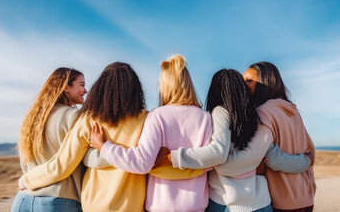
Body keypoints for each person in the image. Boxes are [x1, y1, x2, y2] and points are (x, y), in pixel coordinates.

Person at [18, 62, 200, 212]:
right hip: (131, 205)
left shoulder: (89, 120)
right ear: (135, 90)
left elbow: (63, 165)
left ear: (101, 89)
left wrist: (28, 180)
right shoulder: (147, 119)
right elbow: (152, 164)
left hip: (93, 204)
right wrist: (194, 167)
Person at [154, 69, 313, 212]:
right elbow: (272, 155)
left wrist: (172, 157)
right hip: (261, 203)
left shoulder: (220, 112)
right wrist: (305, 160)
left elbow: (217, 154)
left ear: (215, 91)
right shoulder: (256, 116)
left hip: (226, 203)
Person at [90, 54, 213, 212]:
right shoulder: (206, 118)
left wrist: (103, 147)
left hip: (161, 207)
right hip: (197, 206)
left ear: (164, 86)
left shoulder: (157, 116)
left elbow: (142, 163)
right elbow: (209, 162)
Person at [243, 62, 316, 212]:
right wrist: (307, 160)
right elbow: (310, 151)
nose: (243, 85)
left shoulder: (262, 113)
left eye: (249, 81)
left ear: (265, 83)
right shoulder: (294, 112)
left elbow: (272, 159)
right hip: (306, 197)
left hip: (283, 201)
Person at [11, 67, 87, 212]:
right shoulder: (74, 117)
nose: (85, 91)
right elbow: (68, 164)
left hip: (23, 199)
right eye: (82, 85)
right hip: (58, 200)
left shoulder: (32, 119)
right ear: (66, 87)